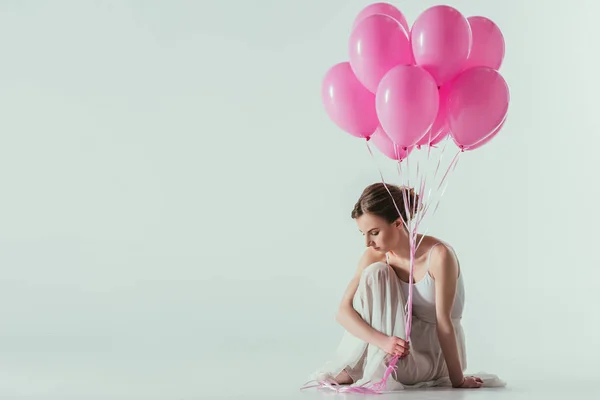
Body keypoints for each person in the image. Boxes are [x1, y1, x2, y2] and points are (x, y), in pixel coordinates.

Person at [306, 183, 504, 391]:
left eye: (374, 232)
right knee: (376, 272)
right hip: (395, 347)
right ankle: (357, 366)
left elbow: (443, 323)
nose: (367, 242)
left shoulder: (439, 255)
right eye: (362, 233)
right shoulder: (375, 255)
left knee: (377, 273)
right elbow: (342, 312)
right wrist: (384, 342)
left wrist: (458, 380)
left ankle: (366, 367)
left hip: (433, 354)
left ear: (398, 223)